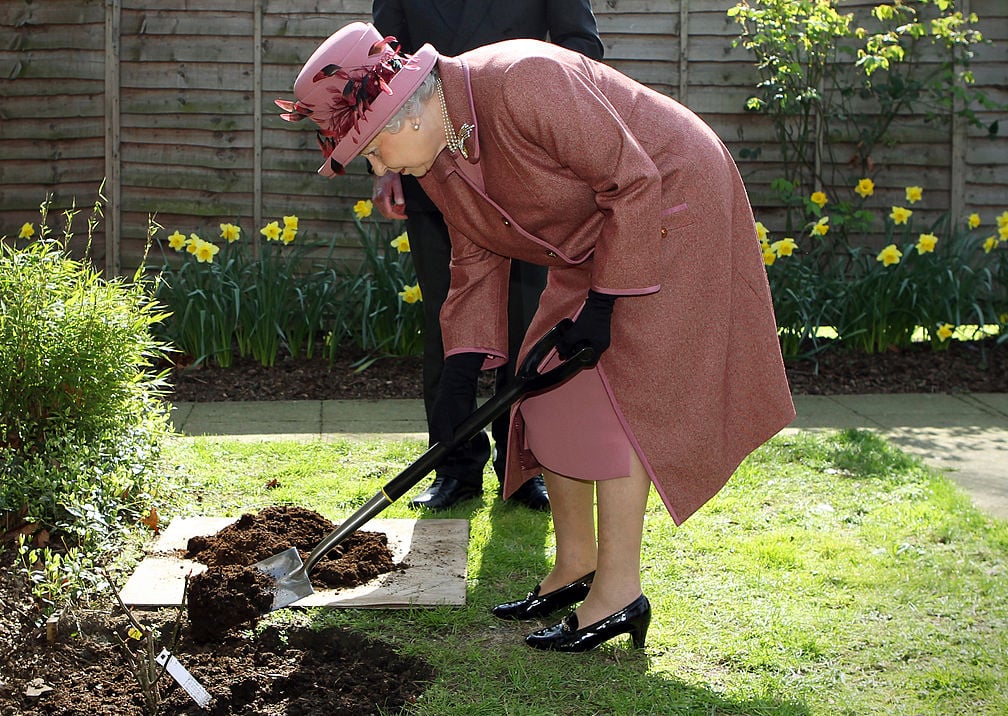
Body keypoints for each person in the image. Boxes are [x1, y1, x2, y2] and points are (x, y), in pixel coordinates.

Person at [276, 23, 796, 652]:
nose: (379, 167)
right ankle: (574, 566)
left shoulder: (523, 80)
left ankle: (619, 591)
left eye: (374, 149)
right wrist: (462, 364)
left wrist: (605, 305)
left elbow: (633, 179)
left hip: (672, 199)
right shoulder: (436, 156)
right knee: (544, 386)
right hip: (596, 231)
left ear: (404, 110)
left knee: (615, 396)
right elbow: (475, 252)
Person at [370, 0, 604, 512]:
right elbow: (382, 68)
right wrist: (388, 164)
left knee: (530, 325)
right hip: (429, 168)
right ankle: (452, 465)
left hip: (525, 170)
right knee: (446, 318)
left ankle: (523, 466)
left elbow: (581, 49)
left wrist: (546, 133)